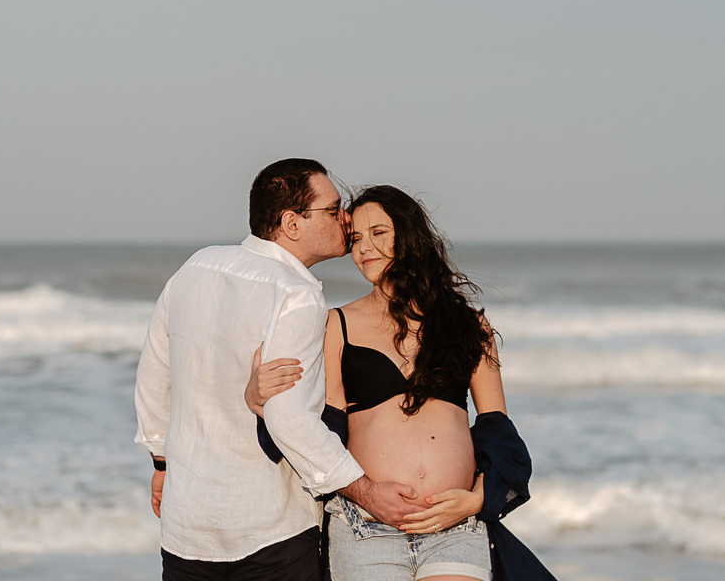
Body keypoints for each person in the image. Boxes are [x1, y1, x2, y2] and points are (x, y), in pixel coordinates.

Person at [133, 160, 424, 581]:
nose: (346, 219)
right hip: (270, 530)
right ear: (292, 223)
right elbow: (290, 419)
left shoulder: (195, 267)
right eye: (333, 209)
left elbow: (154, 380)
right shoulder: (297, 293)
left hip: (186, 528)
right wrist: (367, 493)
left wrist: (161, 463)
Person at [248, 184, 510, 581]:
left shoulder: (468, 325)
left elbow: (497, 430)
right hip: (364, 527)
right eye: (355, 239)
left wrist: (476, 500)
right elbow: (323, 428)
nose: (363, 248)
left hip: (453, 528)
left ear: (409, 236)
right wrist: (259, 403)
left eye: (378, 233)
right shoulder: (337, 324)